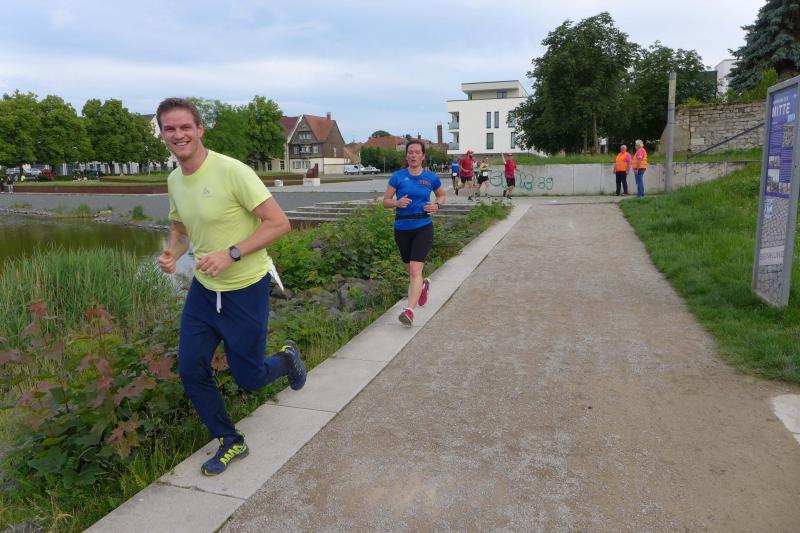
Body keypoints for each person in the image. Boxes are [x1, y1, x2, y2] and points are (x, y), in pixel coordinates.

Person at [155, 97, 307, 477]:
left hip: (245, 288)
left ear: (200, 129)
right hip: (205, 290)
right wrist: (173, 253)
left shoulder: (232, 171)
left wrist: (232, 253)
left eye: (185, 127)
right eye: (170, 128)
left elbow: (279, 223)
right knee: (191, 369)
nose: (178, 134)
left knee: (250, 378)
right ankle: (229, 440)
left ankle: (287, 359)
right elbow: (181, 229)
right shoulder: (174, 179)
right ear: (162, 134)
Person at [383, 140, 446, 326]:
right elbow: (385, 201)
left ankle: (409, 310)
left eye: (417, 152)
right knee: (410, 269)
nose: (413, 155)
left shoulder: (431, 178)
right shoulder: (398, 177)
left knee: (415, 270)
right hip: (402, 228)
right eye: (410, 152)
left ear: (423, 156)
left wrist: (437, 205)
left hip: (423, 226)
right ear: (406, 155)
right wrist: (396, 203)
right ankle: (423, 285)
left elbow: (441, 194)